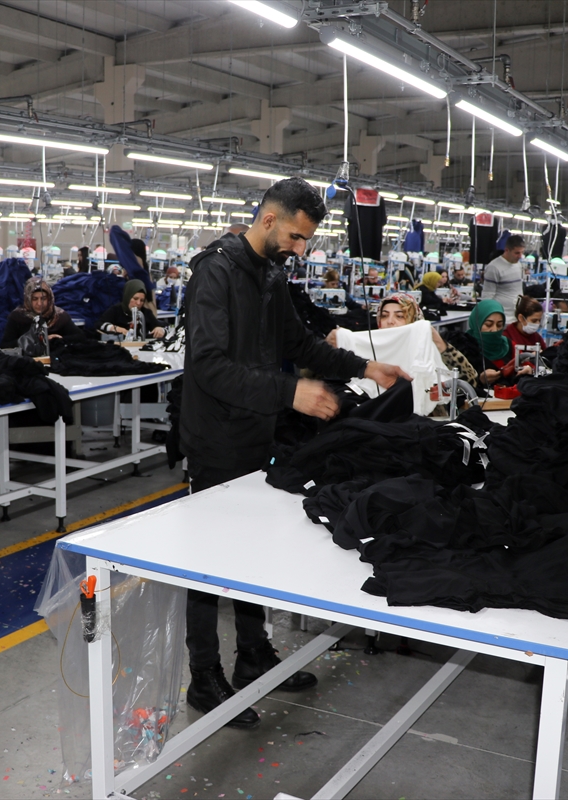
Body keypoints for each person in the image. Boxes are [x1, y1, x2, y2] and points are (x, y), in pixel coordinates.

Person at [181, 177, 409, 728]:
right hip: (215, 439)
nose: (300, 249)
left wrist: (364, 366)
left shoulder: (269, 274)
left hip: (256, 434)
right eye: (296, 236)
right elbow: (208, 366)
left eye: (306, 240)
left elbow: (298, 343)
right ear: (268, 219)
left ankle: (253, 653)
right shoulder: (215, 272)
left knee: (248, 550)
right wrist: (291, 393)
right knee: (209, 562)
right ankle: (203, 673)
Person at [1, 276, 83, 348]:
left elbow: (80, 337)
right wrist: (33, 341)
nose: (39, 303)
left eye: (43, 298)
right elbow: (5, 345)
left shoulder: (58, 316)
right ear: (28, 299)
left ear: (49, 299)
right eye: (34, 299)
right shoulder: (18, 317)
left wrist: (56, 339)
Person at [97, 279, 164, 339]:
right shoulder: (115, 310)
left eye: (142, 300)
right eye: (135, 299)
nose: (138, 303)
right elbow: (99, 324)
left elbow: (160, 327)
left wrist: (160, 330)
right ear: (127, 297)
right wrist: (114, 328)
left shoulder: (145, 313)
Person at [481, 234, 525, 313]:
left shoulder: (518, 264)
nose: (520, 256)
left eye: (522, 252)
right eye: (517, 253)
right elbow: (487, 296)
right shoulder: (493, 267)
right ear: (507, 250)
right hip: (501, 315)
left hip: (516, 315)